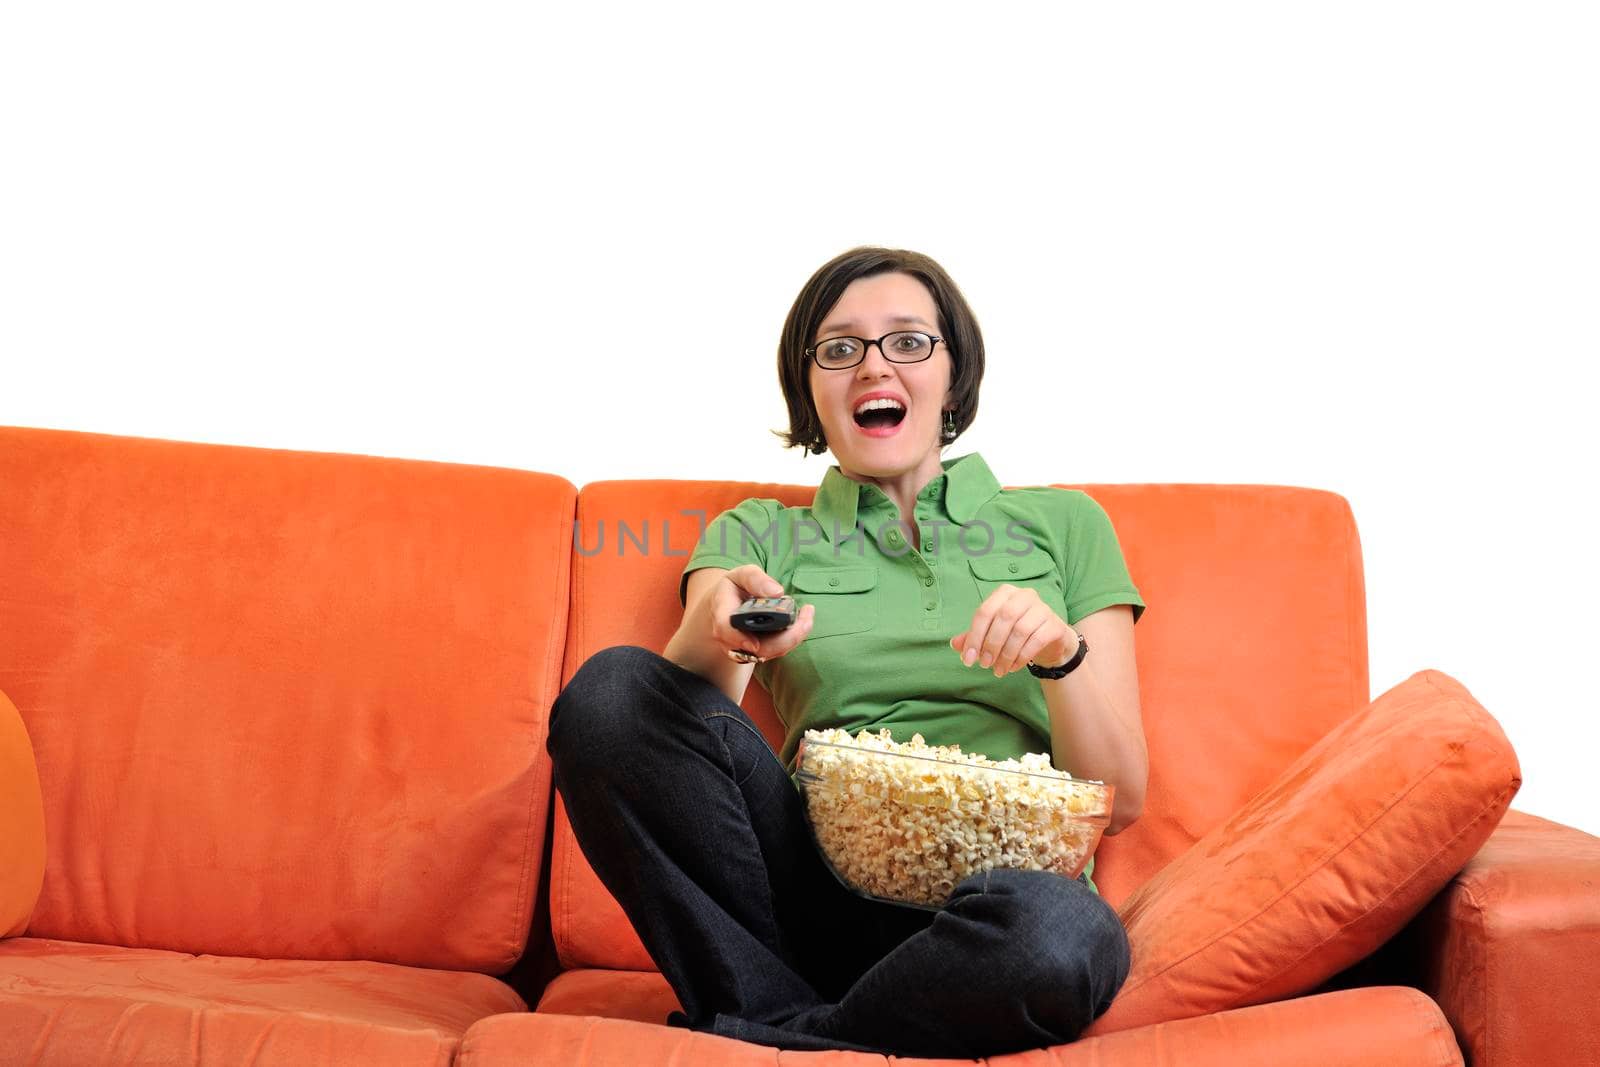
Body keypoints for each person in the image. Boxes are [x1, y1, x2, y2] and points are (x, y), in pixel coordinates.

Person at [546, 246, 1148, 1058]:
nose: (874, 366)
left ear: (953, 372)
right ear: (811, 388)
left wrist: (1061, 654)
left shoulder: (1066, 524)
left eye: (907, 341)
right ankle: (831, 1023)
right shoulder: (761, 530)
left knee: (1060, 935)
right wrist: (723, 629)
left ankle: (785, 1035)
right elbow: (676, 725)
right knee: (611, 688)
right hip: (812, 893)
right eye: (840, 348)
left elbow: (1126, 797)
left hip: (1000, 907)